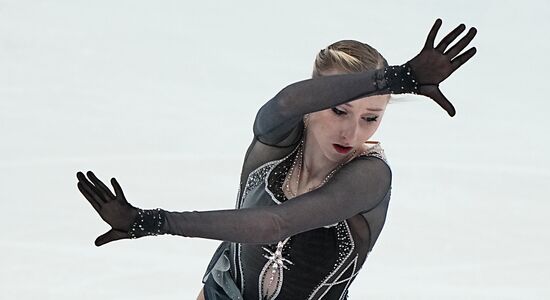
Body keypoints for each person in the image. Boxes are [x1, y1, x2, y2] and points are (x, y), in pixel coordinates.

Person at [76, 19, 477, 300]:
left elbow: (274, 224)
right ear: (315, 100)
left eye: (370, 117)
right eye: (339, 110)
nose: (353, 133)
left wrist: (155, 220)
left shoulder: (369, 177)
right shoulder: (274, 146)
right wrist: (394, 78)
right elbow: (287, 102)